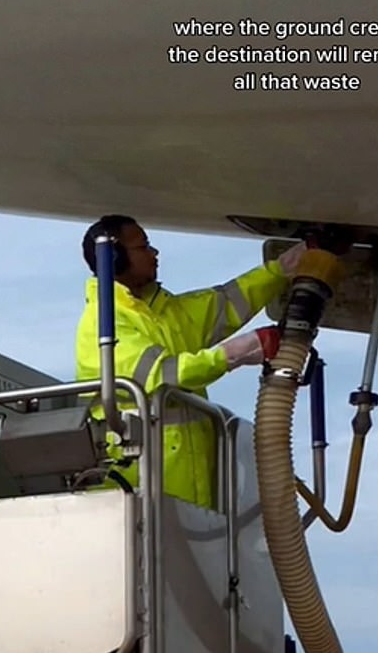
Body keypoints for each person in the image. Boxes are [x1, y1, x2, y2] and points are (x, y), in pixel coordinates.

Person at [75, 214, 308, 509]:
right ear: (115, 258)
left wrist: (283, 268)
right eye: (144, 247)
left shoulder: (163, 312)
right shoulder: (101, 324)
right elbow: (165, 374)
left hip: (190, 497)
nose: (154, 253)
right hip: (139, 494)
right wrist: (238, 351)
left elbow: (226, 303)